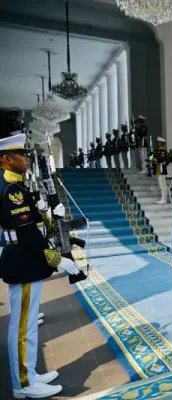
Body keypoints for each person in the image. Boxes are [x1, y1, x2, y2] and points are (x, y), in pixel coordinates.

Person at [0, 132, 84, 399]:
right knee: (22, 327)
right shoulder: (12, 190)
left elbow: (34, 225)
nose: (26, 159)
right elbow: (26, 233)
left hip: (26, 259)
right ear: (6, 159)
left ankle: (30, 373)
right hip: (23, 260)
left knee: (27, 325)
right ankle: (23, 384)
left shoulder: (19, 186)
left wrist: (48, 215)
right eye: (21, 155)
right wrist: (57, 258)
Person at [152, 137, 168, 204]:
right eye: (158, 142)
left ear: (162, 143)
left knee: (162, 183)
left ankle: (163, 198)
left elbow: (161, 159)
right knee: (160, 183)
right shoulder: (158, 150)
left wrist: (155, 158)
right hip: (158, 168)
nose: (158, 144)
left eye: (159, 143)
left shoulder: (163, 151)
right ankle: (162, 198)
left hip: (161, 168)